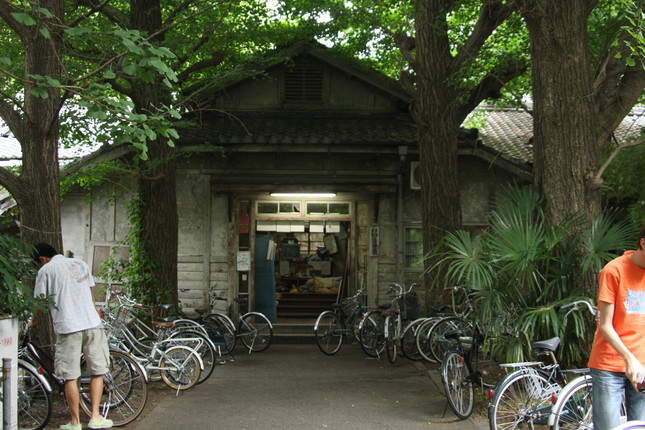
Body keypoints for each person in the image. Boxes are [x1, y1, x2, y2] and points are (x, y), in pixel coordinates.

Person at [32, 243, 113, 430]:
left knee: (70, 376)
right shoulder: (80, 263)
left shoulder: (45, 271)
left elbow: (38, 302)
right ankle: (95, 417)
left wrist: (33, 321)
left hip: (69, 326)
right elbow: (90, 295)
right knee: (97, 371)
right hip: (92, 323)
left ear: (42, 259)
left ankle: (75, 422)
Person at [588, 222, 645, 430]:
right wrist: (629, 359)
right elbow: (605, 325)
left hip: (641, 368)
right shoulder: (613, 270)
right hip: (609, 366)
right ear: (644, 244)